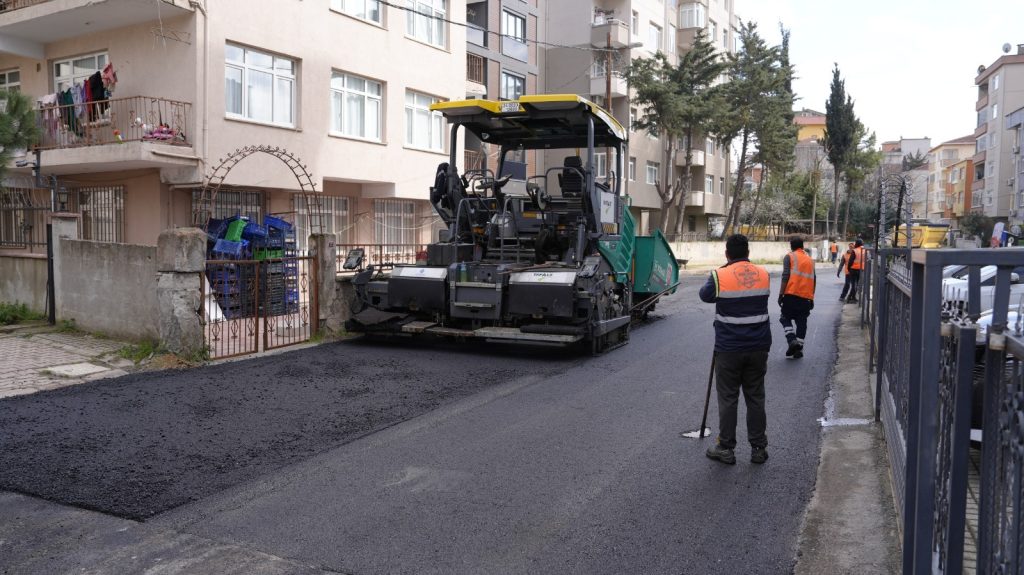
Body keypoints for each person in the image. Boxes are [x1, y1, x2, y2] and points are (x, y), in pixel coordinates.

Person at [699, 234, 771, 465]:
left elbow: (705, 295)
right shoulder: (764, 274)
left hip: (729, 348)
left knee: (729, 398)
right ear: (748, 252)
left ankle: (726, 448)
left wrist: (724, 269)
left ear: (727, 253)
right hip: (759, 346)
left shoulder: (719, 275)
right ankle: (758, 448)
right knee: (755, 397)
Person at [779, 236, 815, 359]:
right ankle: (798, 347)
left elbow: (785, 276)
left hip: (791, 294)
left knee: (784, 318)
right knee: (802, 321)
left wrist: (780, 294)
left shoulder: (789, 257)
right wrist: (812, 298)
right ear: (802, 246)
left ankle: (791, 340)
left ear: (791, 246)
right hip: (805, 297)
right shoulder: (810, 260)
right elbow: (813, 279)